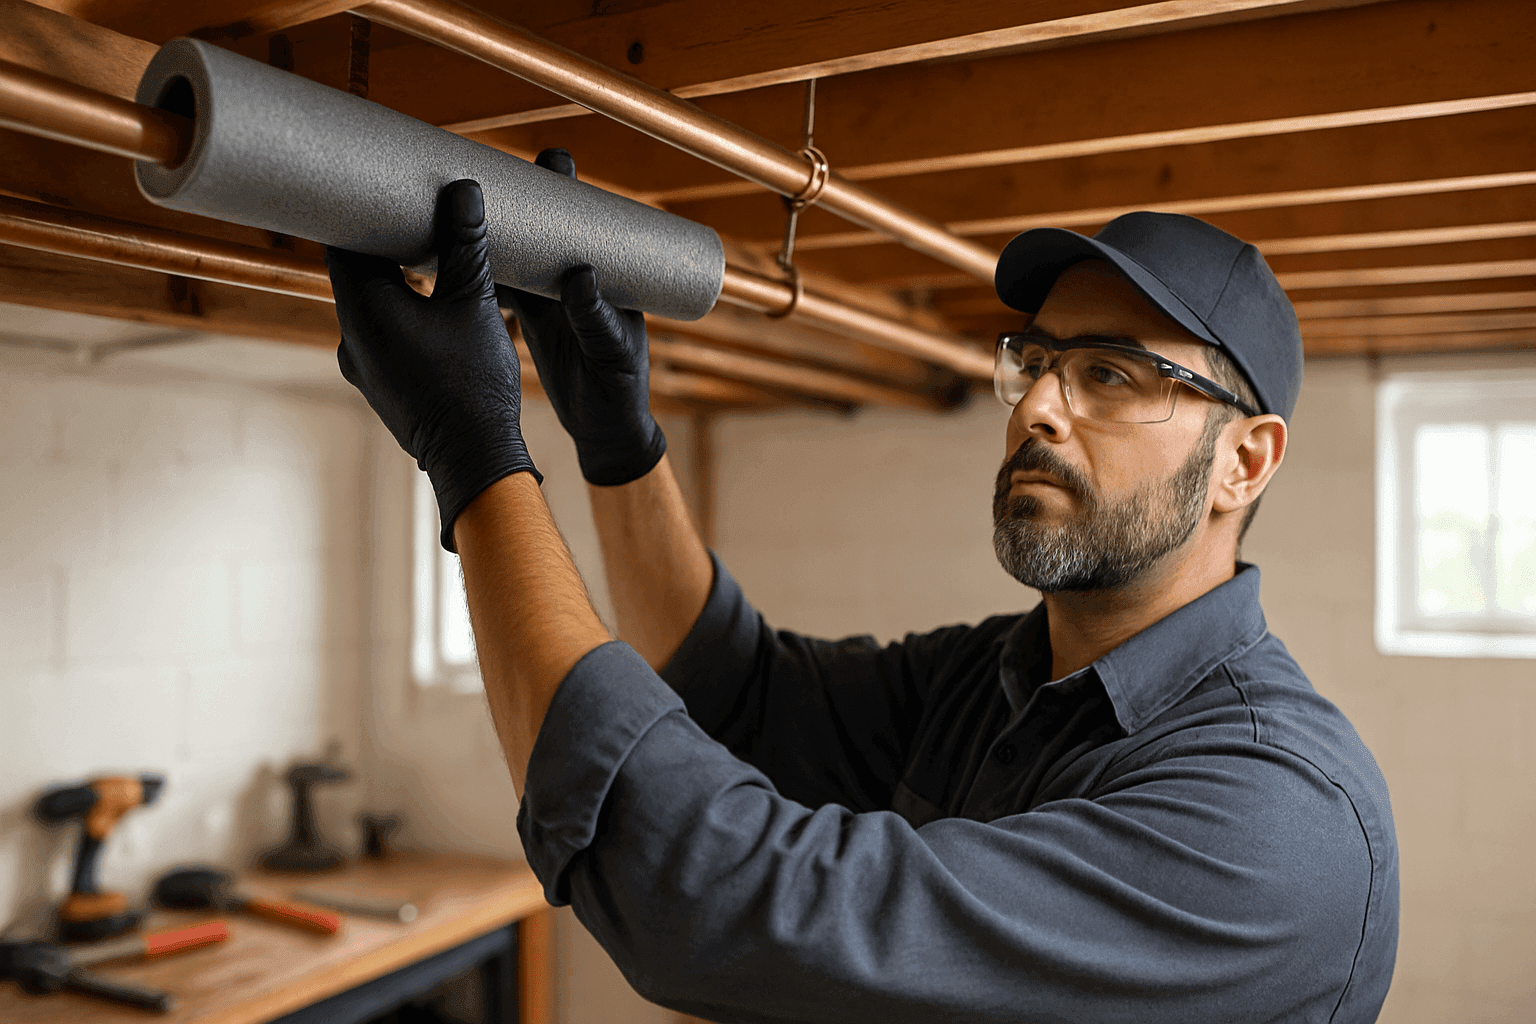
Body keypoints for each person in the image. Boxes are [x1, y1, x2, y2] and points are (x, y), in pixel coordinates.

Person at [326, 151, 1398, 1023]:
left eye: (1111, 371)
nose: (1039, 409)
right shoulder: (1005, 675)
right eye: (1036, 361)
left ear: (1246, 461)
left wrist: (474, 453)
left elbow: (714, 901)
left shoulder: (1272, 819)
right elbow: (739, 696)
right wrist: (618, 444)